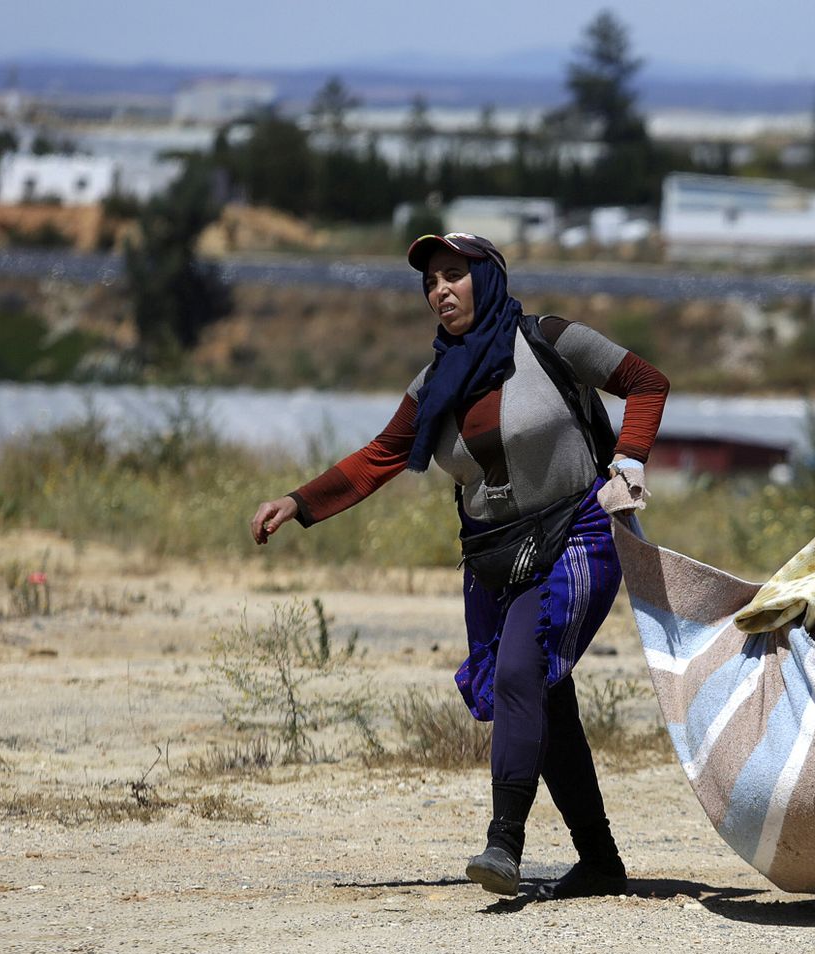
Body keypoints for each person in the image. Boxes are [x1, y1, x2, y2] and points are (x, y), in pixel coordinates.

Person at [249, 233, 669, 901]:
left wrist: (632, 458)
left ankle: (504, 841)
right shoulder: (436, 383)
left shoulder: (550, 341)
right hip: (494, 552)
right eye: (429, 282)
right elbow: (380, 455)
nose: (440, 290)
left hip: (576, 531)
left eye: (454, 274)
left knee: (522, 668)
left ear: (487, 278)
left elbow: (646, 381)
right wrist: (299, 502)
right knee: (542, 690)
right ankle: (600, 860)